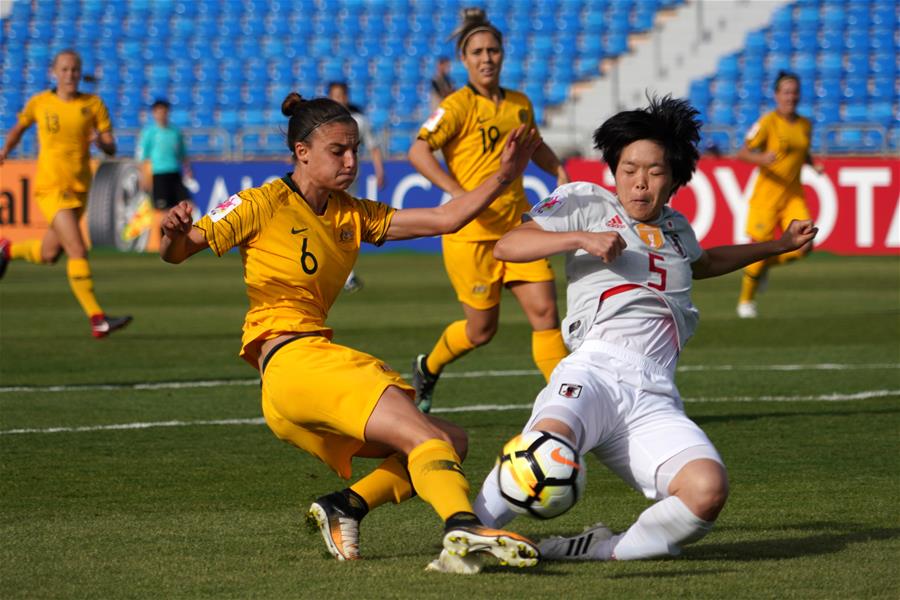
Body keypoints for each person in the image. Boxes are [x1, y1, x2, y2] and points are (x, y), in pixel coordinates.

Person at [431, 95, 817, 573]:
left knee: (707, 490)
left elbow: (707, 263)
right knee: (545, 449)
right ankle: (465, 538)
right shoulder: (585, 201)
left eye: (654, 171)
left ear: (674, 178)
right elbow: (510, 245)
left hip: (654, 395)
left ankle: (600, 548)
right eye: (629, 167)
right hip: (593, 370)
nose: (639, 180)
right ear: (614, 168)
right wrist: (580, 239)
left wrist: (778, 244)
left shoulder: (678, 229)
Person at [159, 92, 544, 569]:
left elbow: (447, 218)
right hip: (295, 361)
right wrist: (173, 232)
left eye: (355, 149)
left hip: (299, 379)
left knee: (450, 439)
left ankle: (346, 506)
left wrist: (504, 176)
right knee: (428, 440)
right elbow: (177, 251)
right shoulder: (259, 203)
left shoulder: (352, 213)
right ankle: (462, 526)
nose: (351, 160)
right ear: (302, 153)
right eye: (337, 150)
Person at [408, 8, 570, 413]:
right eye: (477, 51)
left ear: (502, 54)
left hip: (518, 228)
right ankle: (428, 367)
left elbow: (535, 144)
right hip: (471, 234)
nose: (486, 58)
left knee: (546, 313)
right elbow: (417, 150)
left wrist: (559, 170)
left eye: (493, 50)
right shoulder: (457, 106)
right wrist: (457, 192)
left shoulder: (518, 103)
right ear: (464, 60)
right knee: (481, 331)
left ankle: (570, 404)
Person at [0, 49, 132, 338]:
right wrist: (5, 151)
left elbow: (111, 145)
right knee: (77, 249)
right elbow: (19, 128)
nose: (70, 74)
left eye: (74, 70)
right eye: (64, 69)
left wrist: (101, 142)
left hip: (80, 188)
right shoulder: (40, 102)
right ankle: (97, 319)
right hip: (51, 187)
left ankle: (7, 249)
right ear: (54, 72)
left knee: (50, 253)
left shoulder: (93, 104)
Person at [735, 71, 823, 319]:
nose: (791, 97)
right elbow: (742, 153)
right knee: (759, 249)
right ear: (776, 96)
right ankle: (745, 302)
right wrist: (761, 158)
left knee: (805, 245)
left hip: (793, 194)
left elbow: (801, 152)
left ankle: (763, 269)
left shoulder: (805, 124)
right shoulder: (767, 122)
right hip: (767, 196)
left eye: (794, 92)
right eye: (786, 92)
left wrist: (812, 164)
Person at [326, 81, 385, 294]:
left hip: (349, 182)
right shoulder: (322, 123)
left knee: (346, 226)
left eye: (342, 95)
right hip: (325, 182)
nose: (339, 99)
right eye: (335, 95)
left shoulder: (358, 121)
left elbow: (374, 147)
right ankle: (336, 272)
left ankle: (346, 274)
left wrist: (380, 171)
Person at [137, 98, 193, 211]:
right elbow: (142, 157)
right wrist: (143, 177)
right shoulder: (149, 133)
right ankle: (160, 229)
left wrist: (188, 169)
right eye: (159, 112)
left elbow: (183, 154)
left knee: (186, 205)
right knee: (161, 210)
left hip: (174, 173)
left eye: (164, 112)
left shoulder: (175, 132)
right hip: (158, 174)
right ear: (154, 113)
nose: (161, 115)